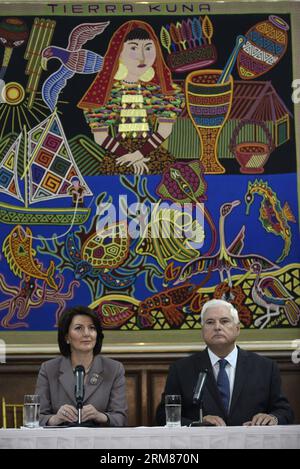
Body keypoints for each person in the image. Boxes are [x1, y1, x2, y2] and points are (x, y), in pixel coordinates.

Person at [156, 299, 294, 426]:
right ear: (202, 331)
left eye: (224, 321)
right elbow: (163, 416)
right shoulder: (181, 369)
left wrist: (273, 418)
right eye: (210, 322)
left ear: (237, 329)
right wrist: (197, 423)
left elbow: (284, 412)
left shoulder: (265, 367)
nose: (217, 327)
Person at [78, 20, 184, 175]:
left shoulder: (160, 91)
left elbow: (165, 130)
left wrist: (138, 155)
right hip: (119, 155)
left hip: (153, 153)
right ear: (118, 53)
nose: (142, 58)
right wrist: (127, 156)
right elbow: (100, 136)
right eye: (133, 48)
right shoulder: (106, 92)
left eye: (148, 48)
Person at [35, 305, 128, 427]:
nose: (86, 334)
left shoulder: (114, 369)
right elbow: (36, 417)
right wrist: (55, 419)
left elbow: (121, 418)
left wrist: (100, 416)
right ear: (66, 337)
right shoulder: (49, 369)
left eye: (92, 328)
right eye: (78, 328)